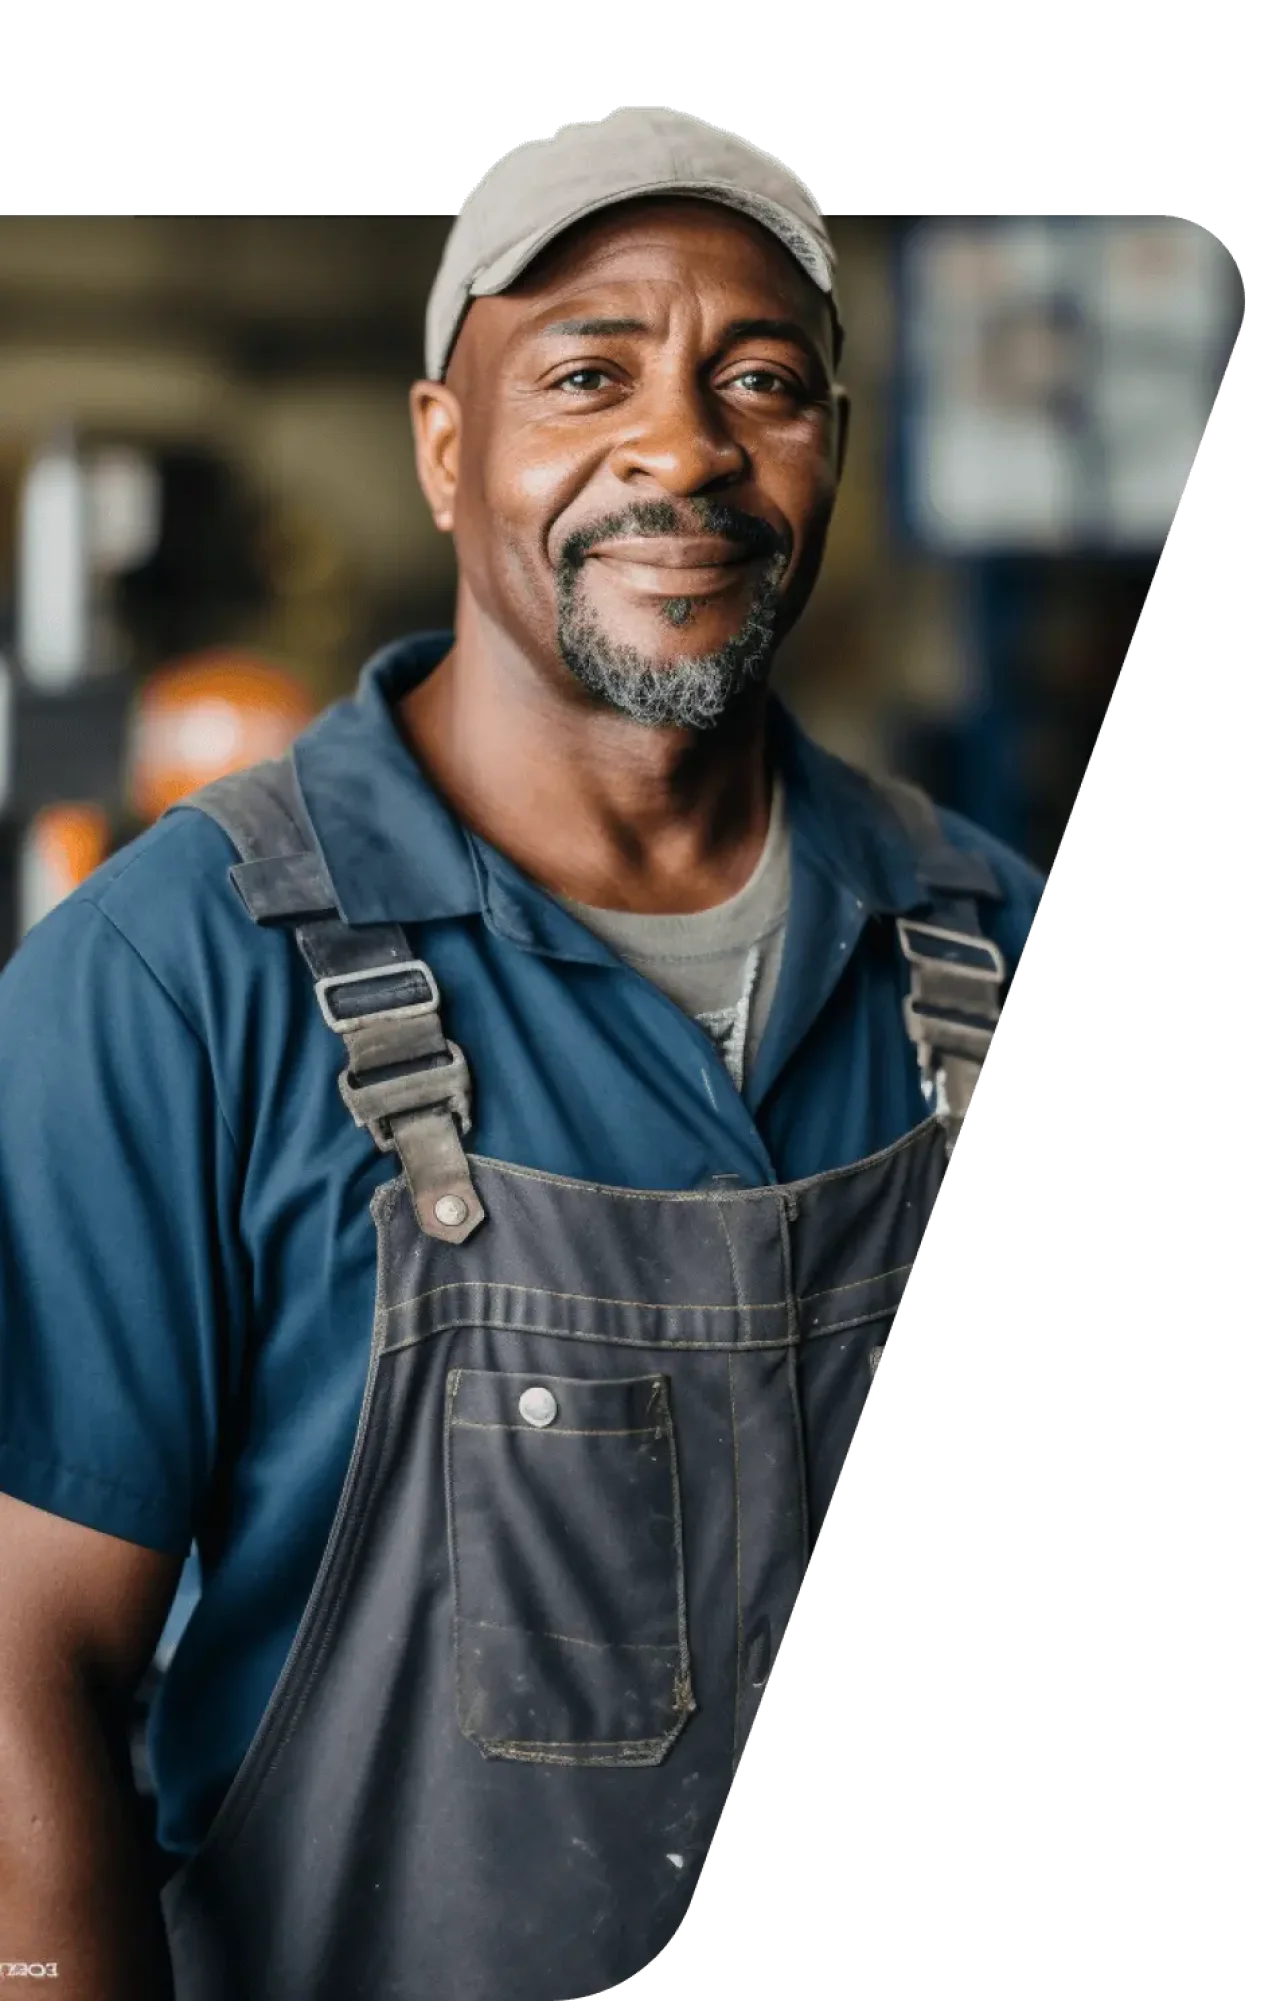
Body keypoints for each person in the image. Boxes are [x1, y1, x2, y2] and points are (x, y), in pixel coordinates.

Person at [0, 108, 1045, 2001]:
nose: (686, 447)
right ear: (443, 443)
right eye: (588, 372)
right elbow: (17, 1668)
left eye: (764, 382)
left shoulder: (993, 948)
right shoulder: (166, 986)